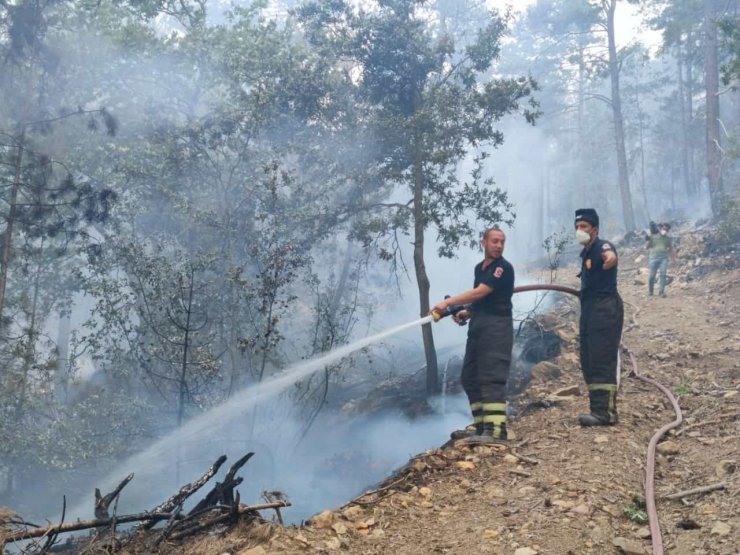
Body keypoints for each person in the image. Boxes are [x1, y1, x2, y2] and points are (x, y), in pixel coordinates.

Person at [431, 226, 514, 442]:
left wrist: (448, 302)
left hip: (497, 329)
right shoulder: (480, 268)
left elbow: (480, 292)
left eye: (502, 242)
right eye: (494, 241)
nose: (499, 245)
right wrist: (467, 313)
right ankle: (482, 428)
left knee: (491, 377)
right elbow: (482, 300)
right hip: (479, 327)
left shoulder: (502, 268)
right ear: (483, 242)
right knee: (470, 377)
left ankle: (496, 432)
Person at [574, 208, 624, 426]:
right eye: (577, 227)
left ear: (595, 230)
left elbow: (609, 254)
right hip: (590, 309)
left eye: (583, 227)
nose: (579, 231)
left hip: (605, 309)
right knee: (589, 359)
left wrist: (610, 259)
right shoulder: (586, 251)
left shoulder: (602, 246)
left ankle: (606, 413)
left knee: (602, 358)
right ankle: (597, 409)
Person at [645, 222, 676, 298]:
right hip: (653, 258)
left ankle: (661, 292)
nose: (665, 230)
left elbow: (671, 249)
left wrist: (673, 260)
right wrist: (650, 239)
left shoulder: (668, 239)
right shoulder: (653, 236)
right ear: (660, 228)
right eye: (664, 229)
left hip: (663, 259)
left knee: (663, 275)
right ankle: (650, 292)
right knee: (652, 276)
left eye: (666, 229)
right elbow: (647, 247)